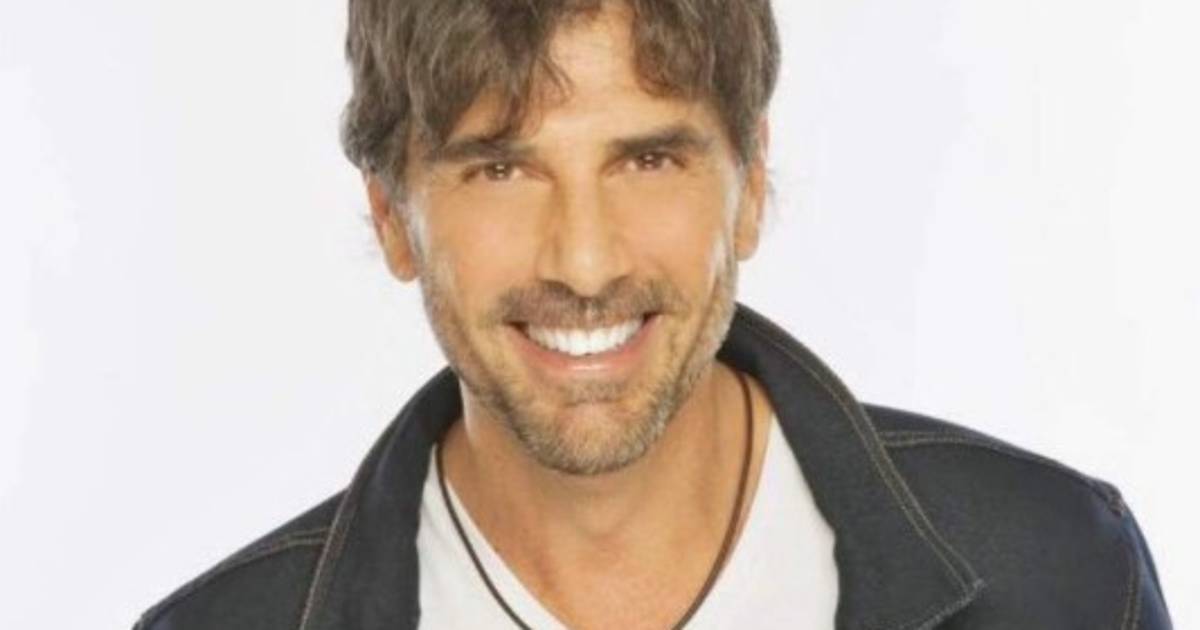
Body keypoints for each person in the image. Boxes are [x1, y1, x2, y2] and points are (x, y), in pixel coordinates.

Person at [135, 1, 1172, 628]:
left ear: (750, 185)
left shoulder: (1056, 576)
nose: (585, 261)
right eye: (501, 169)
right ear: (391, 219)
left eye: (648, 160)